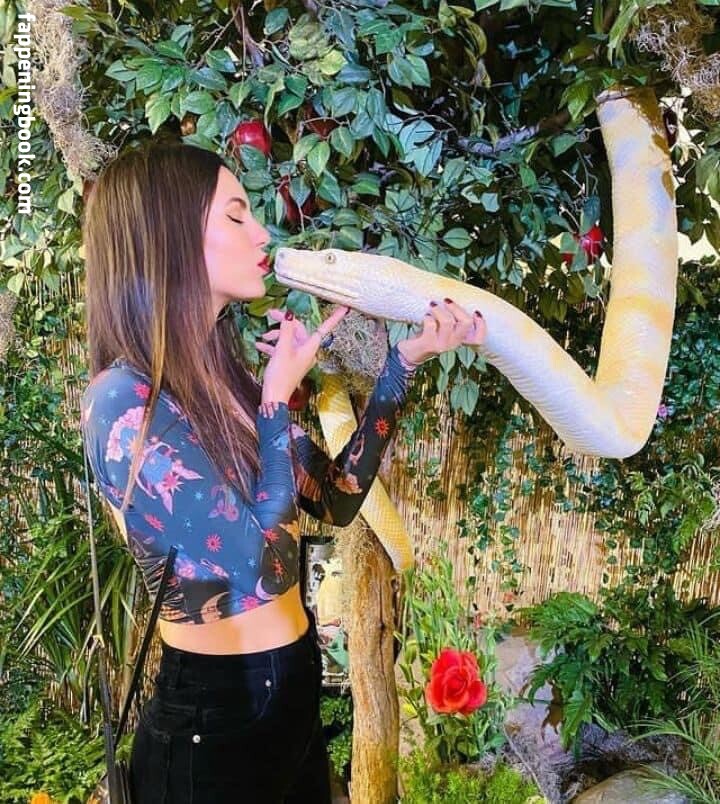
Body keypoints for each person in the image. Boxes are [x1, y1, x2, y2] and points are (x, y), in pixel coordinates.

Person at [79, 139, 487, 803]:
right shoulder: (124, 402)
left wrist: (402, 365)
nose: (262, 233)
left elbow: (338, 499)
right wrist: (274, 402)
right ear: (169, 235)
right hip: (213, 722)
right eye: (235, 214)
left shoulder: (224, 379)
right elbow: (263, 567)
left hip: (292, 690)